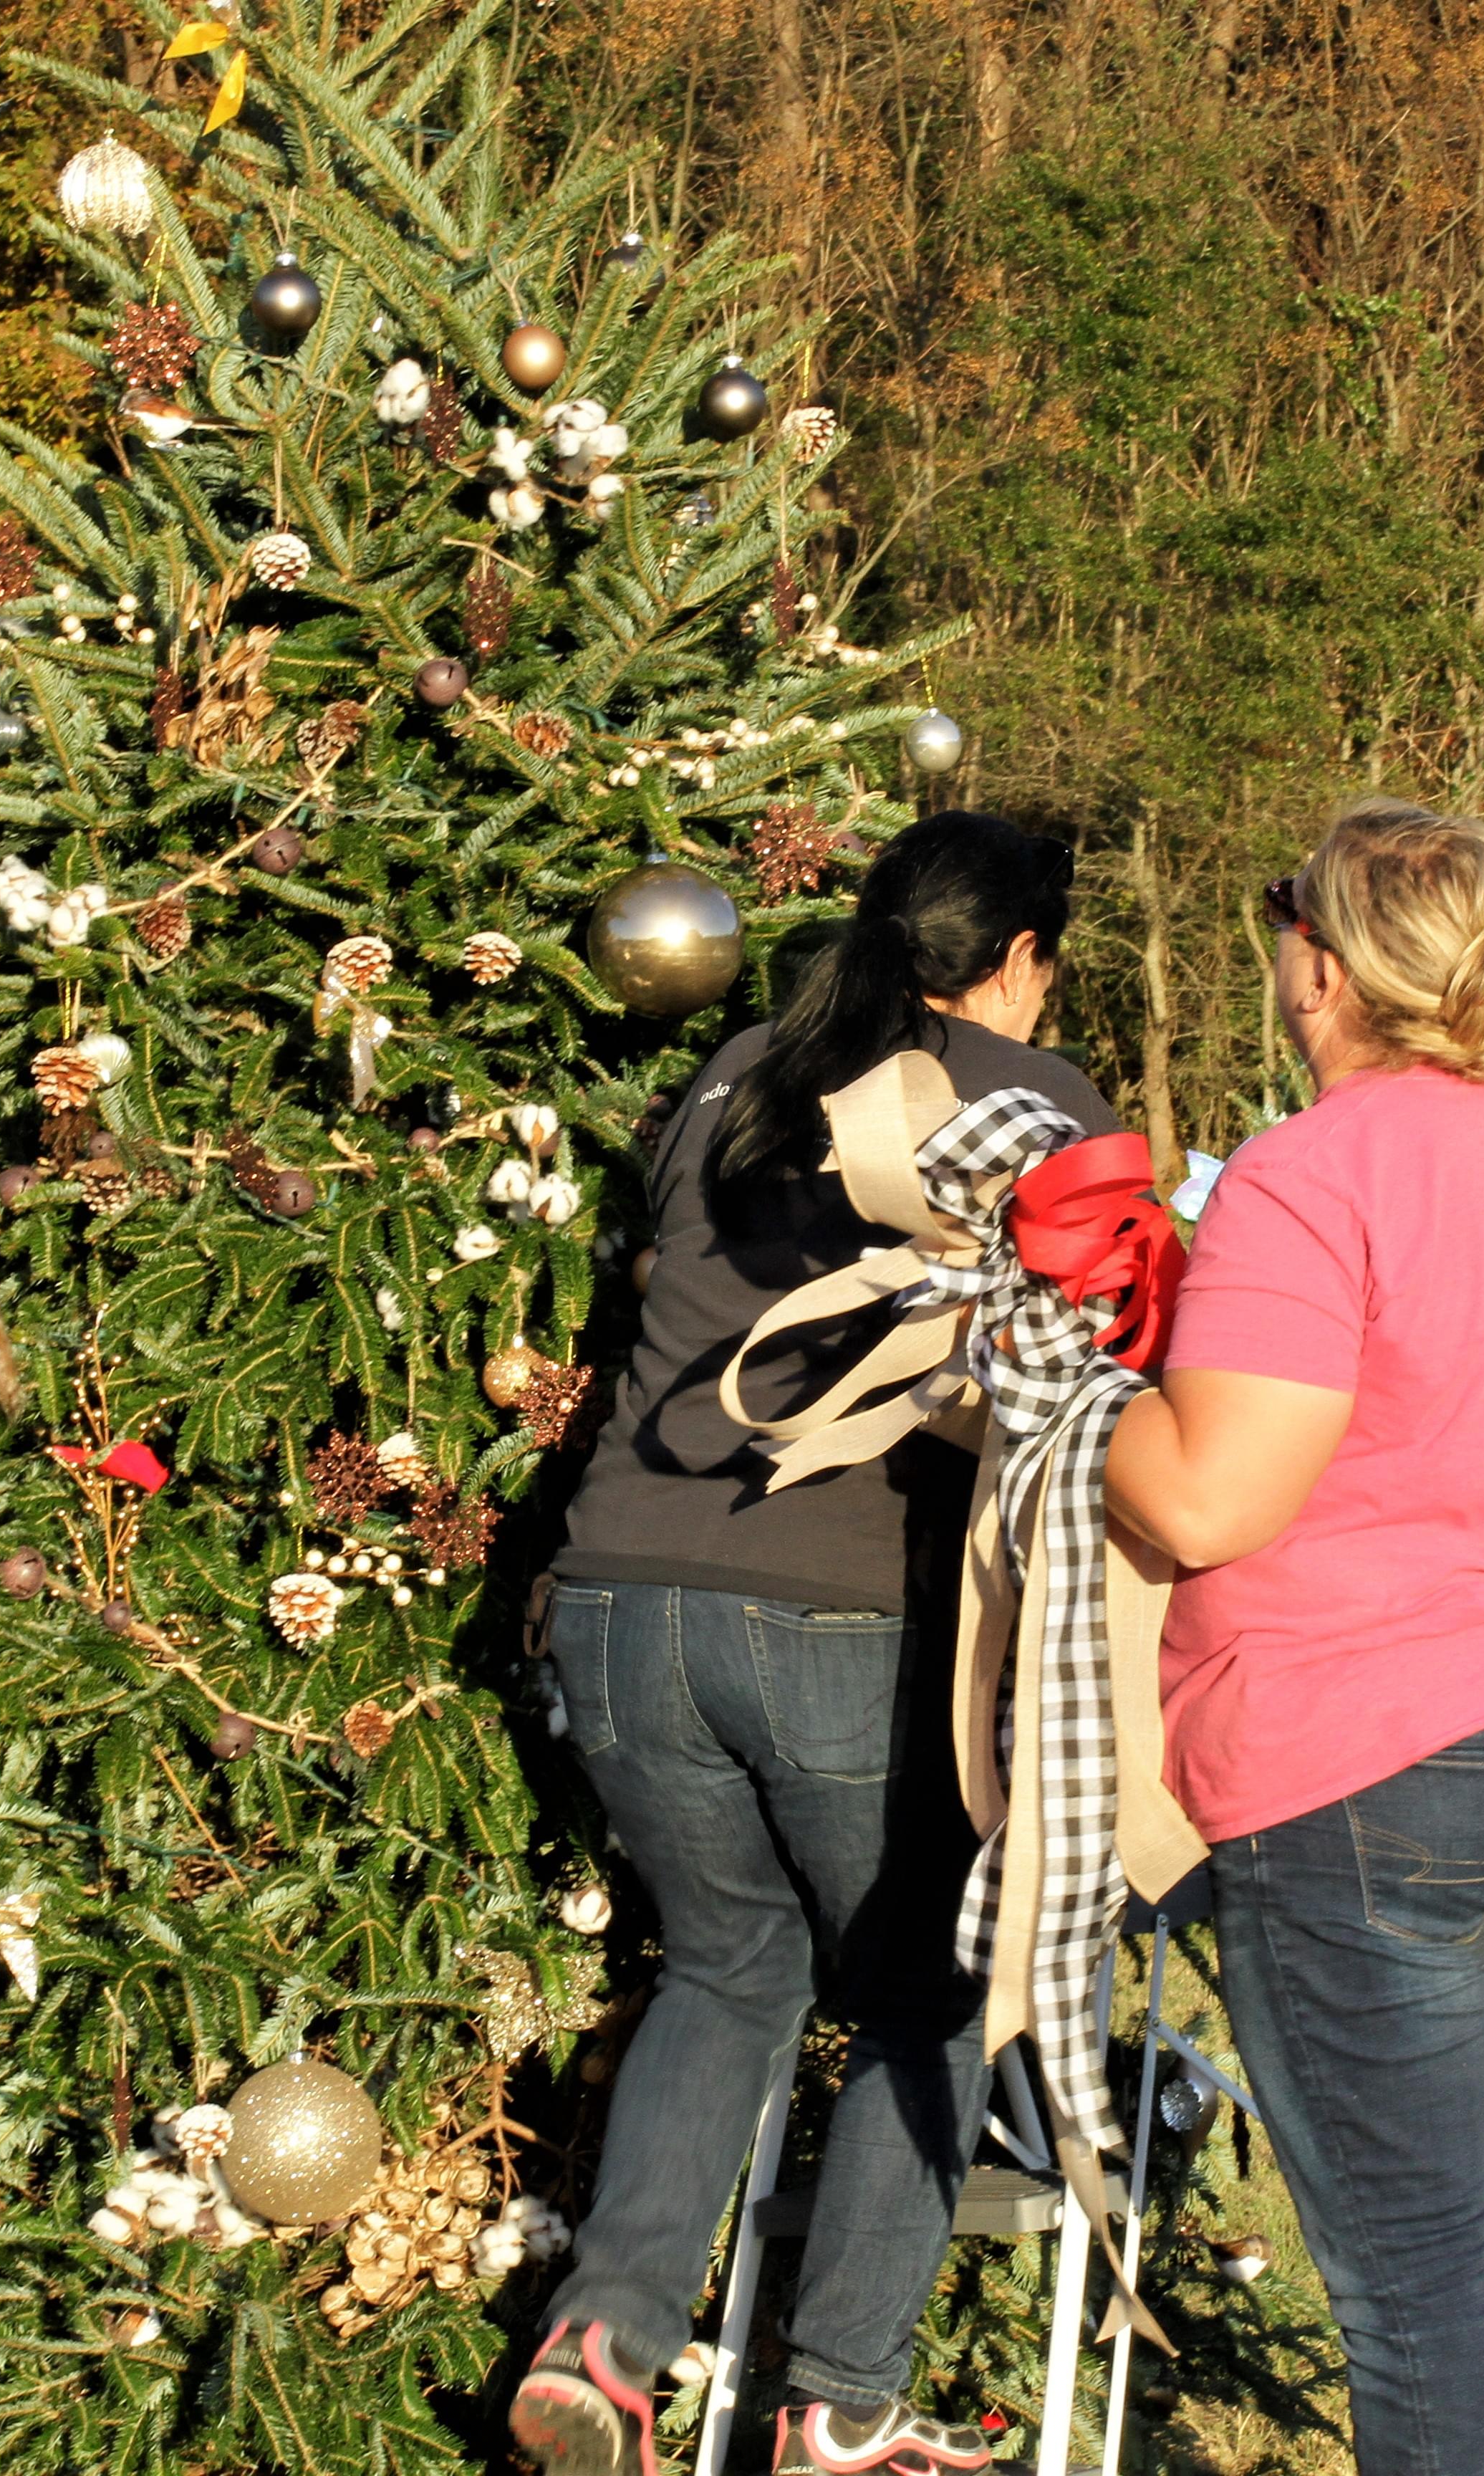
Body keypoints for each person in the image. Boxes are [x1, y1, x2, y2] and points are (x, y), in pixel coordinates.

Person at [510, 814, 1116, 2476]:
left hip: (623, 1590)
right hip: (836, 1607)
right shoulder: (1027, 1097)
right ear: (1015, 961)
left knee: (729, 1965)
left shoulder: (734, 1069)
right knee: (929, 1996)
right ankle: (840, 2402)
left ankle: (606, 2340)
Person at [1105, 800, 1484, 2476]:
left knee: (1413, 2277)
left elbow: (1210, 1501)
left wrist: (1059, 1393)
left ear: (1320, 970)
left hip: (1375, 1761)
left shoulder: (1310, 1172)